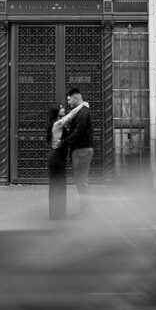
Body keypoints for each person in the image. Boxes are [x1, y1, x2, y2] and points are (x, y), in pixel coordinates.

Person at [60, 87, 93, 216]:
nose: (68, 102)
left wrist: (63, 142)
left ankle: (85, 211)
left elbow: (78, 133)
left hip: (82, 151)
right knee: (81, 181)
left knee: (81, 181)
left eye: (69, 100)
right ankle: (85, 209)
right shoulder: (80, 111)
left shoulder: (82, 113)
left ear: (76, 98)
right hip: (81, 151)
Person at [46, 105, 67, 220]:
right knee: (56, 187)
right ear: (57, 112)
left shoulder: (57, 122)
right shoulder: (57, 124)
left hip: (58, 158)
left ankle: (57, 214)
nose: (63, 108)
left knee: (58, 186)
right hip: (56, 159)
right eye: (61, 107)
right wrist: (82, 106)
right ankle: (56, 215)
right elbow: (70, 117)